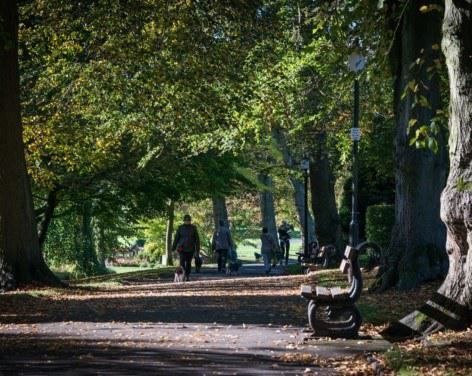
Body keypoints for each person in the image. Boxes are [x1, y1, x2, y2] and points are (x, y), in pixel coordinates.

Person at [172, 214, 200, 281]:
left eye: (189, 220)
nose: (188, 221)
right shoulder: (180, 228)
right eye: (186, 220)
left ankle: (187, 275)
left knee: (188, 262)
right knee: (182, 262)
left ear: (190, 221)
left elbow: (197, 239)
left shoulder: (193, 228)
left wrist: (197, 249)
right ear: (184, 221)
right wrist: (173, 247)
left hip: (191, 248)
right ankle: (182, 275)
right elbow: (176, 238)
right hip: (181, 248)